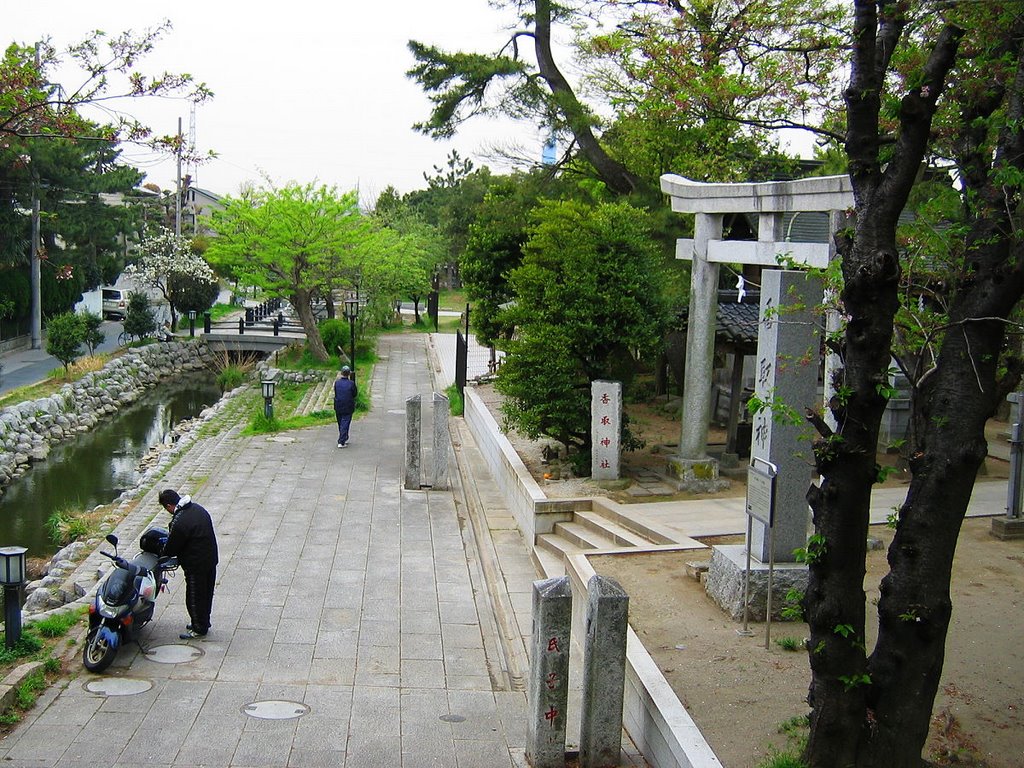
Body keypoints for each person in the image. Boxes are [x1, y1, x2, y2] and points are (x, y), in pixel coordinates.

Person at [159, 489, 219, 640]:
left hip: (195, 564)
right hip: (210, 559)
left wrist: (162, 553)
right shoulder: (198, 509)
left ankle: (199, 628)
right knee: (206, 593)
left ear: (168, 506)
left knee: (194, 597)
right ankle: (204, 622)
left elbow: (171, 548)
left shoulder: (179, 521)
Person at [334, 365, 358, 448]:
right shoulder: (351, 383)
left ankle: (344, 437)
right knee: (345, 422)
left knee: (341, 422)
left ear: (341, 373)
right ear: (349, 374)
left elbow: (336, 392)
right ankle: (341, 441)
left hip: (338, 405)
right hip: (348, 406)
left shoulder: (337, 383)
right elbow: (354, 394)